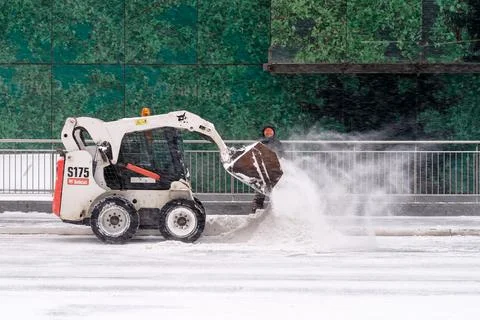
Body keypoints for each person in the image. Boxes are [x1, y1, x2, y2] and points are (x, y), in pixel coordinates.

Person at [251, 125, 284, 212]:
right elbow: (253, 154)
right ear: (264, 133)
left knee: (275, 190)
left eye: (270, 131)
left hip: (273, 170)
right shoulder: (259, 142)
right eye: (267, 131)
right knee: (260, 190)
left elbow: (281, 155)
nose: (269, 133)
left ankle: (275, 210)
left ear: (273, 133)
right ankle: (257, 208)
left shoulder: (277, 143)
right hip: (261, 170)